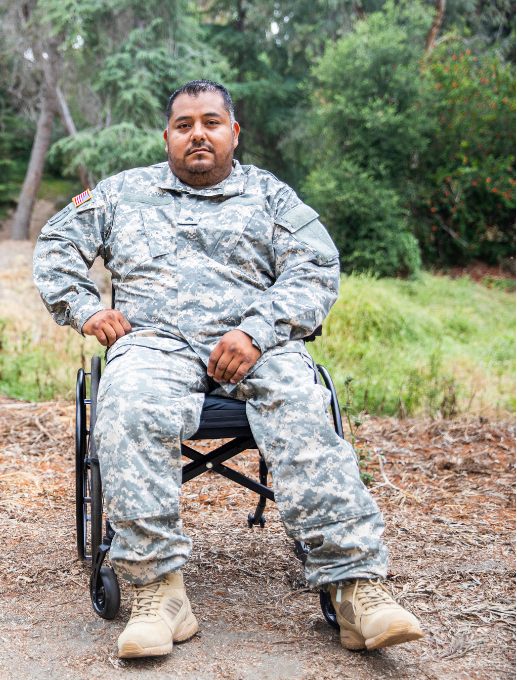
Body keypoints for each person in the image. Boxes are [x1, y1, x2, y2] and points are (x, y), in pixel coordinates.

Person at [33, 80, 424, 659]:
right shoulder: (122, 193)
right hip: (154, 345)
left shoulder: (270, 196)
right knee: (129, 397)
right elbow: (57, 243)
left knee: (301, 396)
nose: (198, 134)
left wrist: (258, 332)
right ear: (167, 136)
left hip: (254, 344)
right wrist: (87, 307)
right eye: (185, 124)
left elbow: (316, 268)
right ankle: (159, 595)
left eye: (211, 122)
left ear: (233, 133)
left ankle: (355, 590)